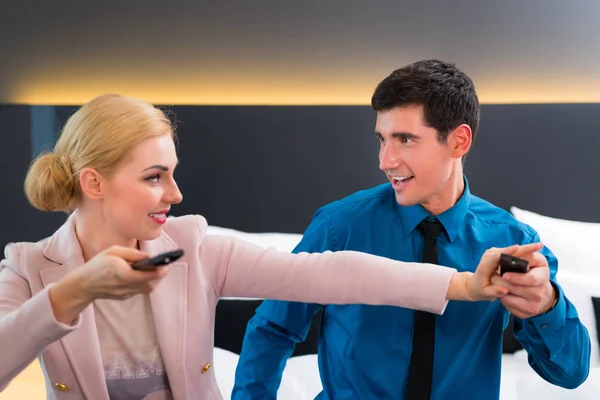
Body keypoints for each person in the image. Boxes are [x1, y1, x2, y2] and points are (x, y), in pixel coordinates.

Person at [0, 94, 535, 400]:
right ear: (94, 184)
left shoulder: (193, 247)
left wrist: (463, 284)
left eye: (173, 174)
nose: (176, 194)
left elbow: (333, 273)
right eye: (155, 177)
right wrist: (73, 294)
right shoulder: (28, 269)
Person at [232, 60, 591, 400]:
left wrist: (546, 306)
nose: (385, 161)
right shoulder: (339, 226)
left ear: (458, 142)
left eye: (405, 139)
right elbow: (273, 328)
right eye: (382, 139)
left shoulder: (513, 243)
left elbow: (571, 374)